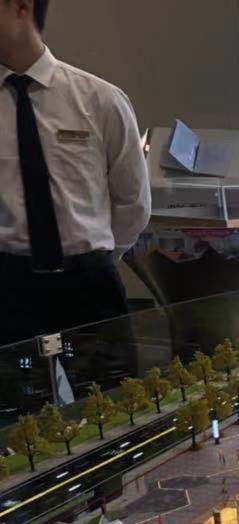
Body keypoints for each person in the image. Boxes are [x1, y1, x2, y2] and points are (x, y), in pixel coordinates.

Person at [0, 0, 150, 348]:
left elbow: (133, 203)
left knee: (109, 382)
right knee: (13, 384)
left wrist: (92, 259)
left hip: (89, 287)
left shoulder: (100, 100)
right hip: (7, 288)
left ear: (22, 7)